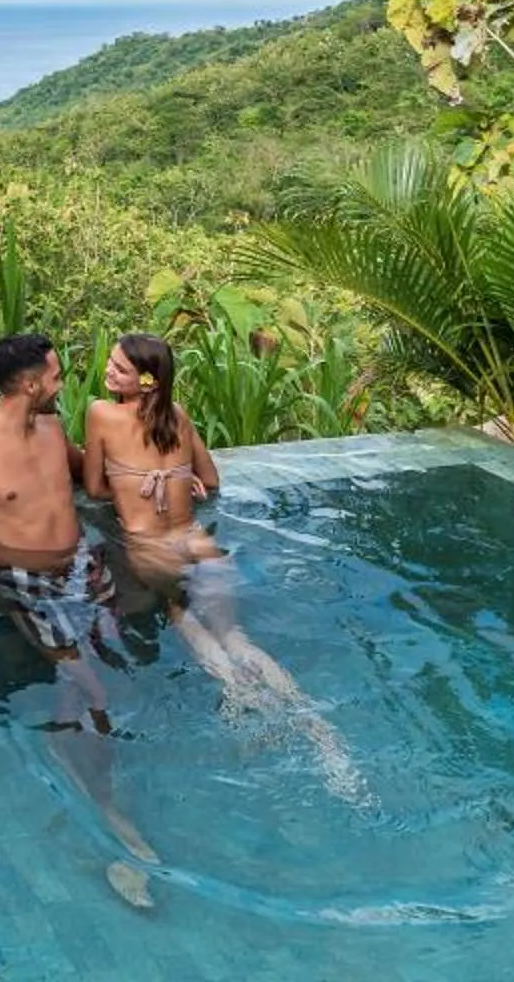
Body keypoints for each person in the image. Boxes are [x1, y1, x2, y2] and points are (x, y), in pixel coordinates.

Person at [0, 333, 158, 906]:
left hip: (83, 569)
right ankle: (112, 821)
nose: (63, 383)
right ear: (30, 382)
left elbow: (94, 475)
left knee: (104, 672)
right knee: (94, 689)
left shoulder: (51, 428)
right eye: (56, 375)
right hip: (25, 583)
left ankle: (67, 758)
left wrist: (162, 476)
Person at [82, 331, 362, 799]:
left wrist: (129, 486)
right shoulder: (178, 415)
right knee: (236, 637)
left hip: (153, 549)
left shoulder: (100, 414)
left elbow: (93, 488)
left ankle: (239, 695)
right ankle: (320, 731)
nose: (108, 371)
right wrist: (179, 480)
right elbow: (210, 480)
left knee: (181, 617)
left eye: (119, 368)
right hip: (200, 546)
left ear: (147, 381)